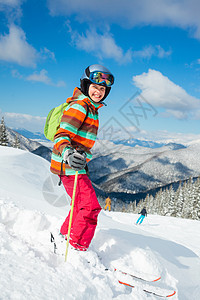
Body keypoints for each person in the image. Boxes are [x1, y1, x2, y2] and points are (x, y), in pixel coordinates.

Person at [50, 64, 114, 251]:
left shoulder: (92, 108)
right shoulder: (80, 106)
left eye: (103, 89)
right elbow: (61, 135)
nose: (99, 91)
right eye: (95, 87)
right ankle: (76, 246)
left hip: (75, 165)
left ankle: (64, 237)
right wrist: (68, 153)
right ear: (86, 86)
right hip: (68, 165)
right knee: (90, 207)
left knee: (80, 205)